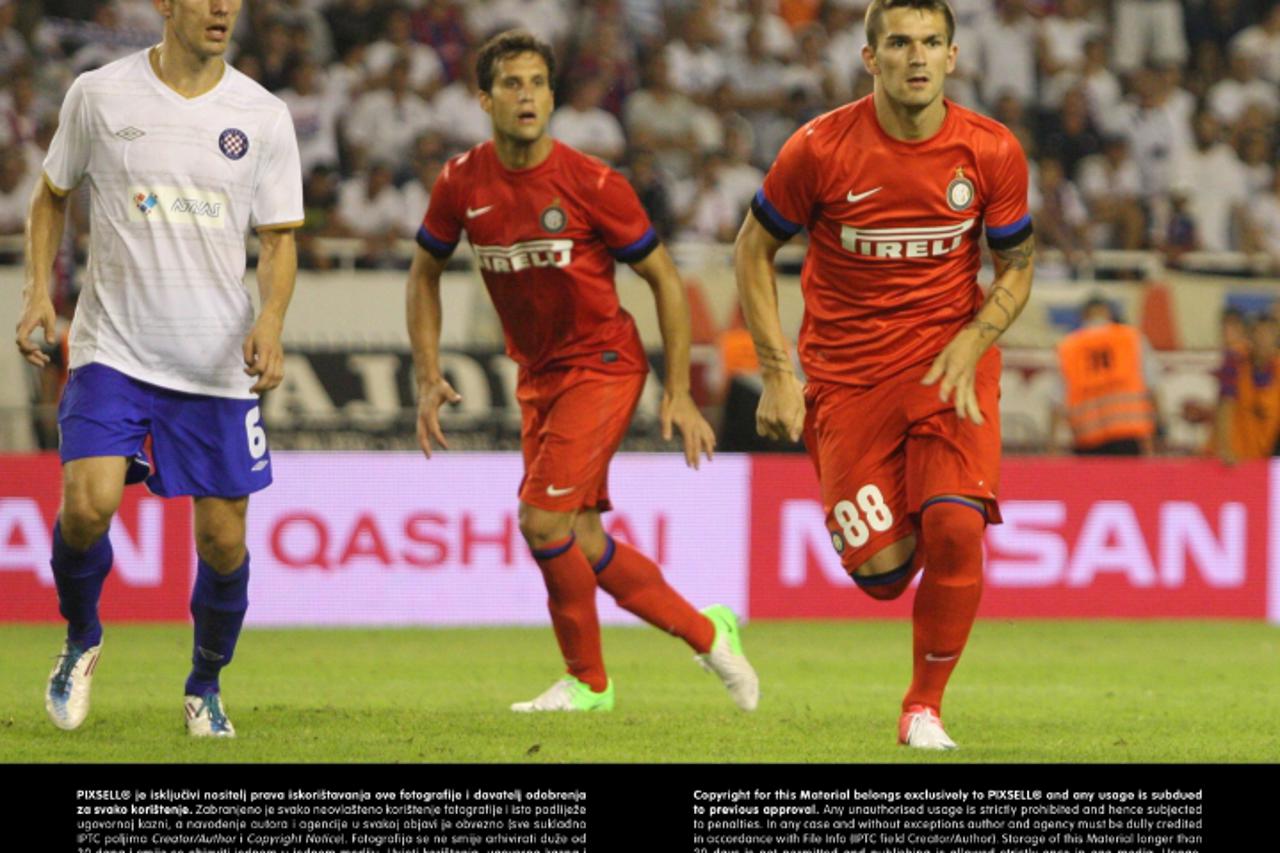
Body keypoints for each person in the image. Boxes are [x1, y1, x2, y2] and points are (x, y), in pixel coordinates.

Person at [406, 31, 758, 713]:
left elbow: (663, 278)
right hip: (537, 375)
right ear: (483, 98)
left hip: (603, 364)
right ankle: (707, 632)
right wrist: (427, 372)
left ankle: (589, 684)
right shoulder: (461, 182)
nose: (527, 95)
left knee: (542, 522)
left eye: (538, 82)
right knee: (583, 537)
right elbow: (424, 273)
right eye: (511, 83)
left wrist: (680, 393)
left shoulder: (592, 181)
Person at [734, 0, 1034, 749]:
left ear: (954, 57)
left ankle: (922, 707)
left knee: (956, 524)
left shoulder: (990, 151)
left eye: (932, 42)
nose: (917, 56)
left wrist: (975, 337)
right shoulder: (818, 149)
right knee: (882, 573)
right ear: (871, 59)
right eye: (899, 43)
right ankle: (926, 517)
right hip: (847, 379)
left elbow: (1018, 268)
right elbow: (750, 248)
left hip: (948, 364)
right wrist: (778, 372)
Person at [14, 0, 303, 738]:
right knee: (86, 504)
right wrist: (37, 293)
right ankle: (81, 638)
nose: (221, 8)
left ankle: (204, 685)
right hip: (114, 346)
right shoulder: (99, 93)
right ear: (166, 5)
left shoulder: (263, 114)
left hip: (213, 361)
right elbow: (50, 197)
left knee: (224, 541)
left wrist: (270, 321)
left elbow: (277, 241)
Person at [1053, 296, 1158, 456]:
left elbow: (1057, 400)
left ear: (1083, 316)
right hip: (1129, 433)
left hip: (1086, 437)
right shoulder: (1131, 338)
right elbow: (1152, 385)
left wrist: (1052, 446)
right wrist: (1157, 433)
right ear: (1109, 313)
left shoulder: (1068, 346)